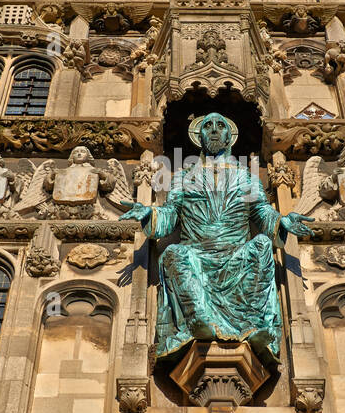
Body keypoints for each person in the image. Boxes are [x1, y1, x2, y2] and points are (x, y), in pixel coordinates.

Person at [120, 113, 312, 364]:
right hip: (196, 253)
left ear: (228, 136)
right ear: (198, 137)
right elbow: (170, 216)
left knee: (263, 245)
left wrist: (281, 221)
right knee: (173, 254)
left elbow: (262, 213)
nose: (213, 130)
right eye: (207, 126)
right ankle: (199, 322)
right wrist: (149, 215)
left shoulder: (245, 176)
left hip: (236, 254)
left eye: (220, 125)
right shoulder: (184, 176)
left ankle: (250, 326)